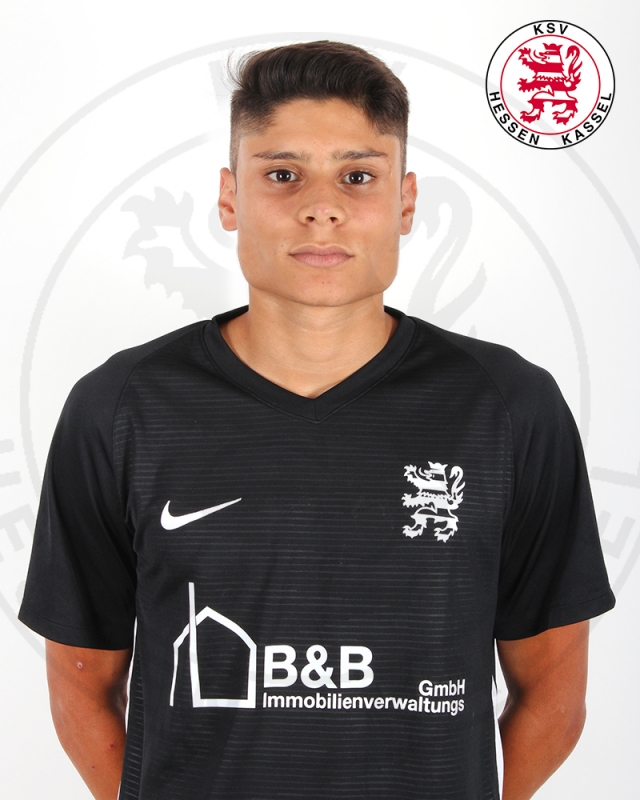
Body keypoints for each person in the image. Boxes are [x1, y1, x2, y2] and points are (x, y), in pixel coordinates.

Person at [19, 41, 614, 800]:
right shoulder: (120, 407)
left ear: (405, 201)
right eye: (283, 174)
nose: (321, 207)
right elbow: (80, 682)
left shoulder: (508, 407)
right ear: (230, 197)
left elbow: (554, 687)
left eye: (358, 176)